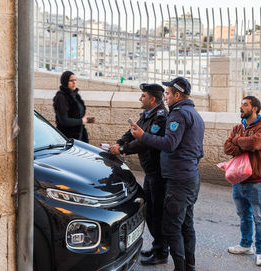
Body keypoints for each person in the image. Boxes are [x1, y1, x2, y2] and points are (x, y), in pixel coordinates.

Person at [130, 77, 204, 271]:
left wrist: (143, 136)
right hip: (190, 177)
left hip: (179, 181)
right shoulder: (195, 114)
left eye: (169, 94)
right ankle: (190, 266)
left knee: (172, 228)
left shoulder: (178, 115)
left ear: (177, 95)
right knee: (186, 225)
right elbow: (199, 152)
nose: (166, 97)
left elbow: (170, 144)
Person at [108, 83, 169, 266]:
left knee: (157, 213)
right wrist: (121, 141)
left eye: (143, 96)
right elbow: (133, 131)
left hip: (158, 173)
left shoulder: (161, 118)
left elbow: (145, 142)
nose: (140, 99)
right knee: (150, 212)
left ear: (152, 99)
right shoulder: (147, 114)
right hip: (150, 171)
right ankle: (158, 247)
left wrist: (123, 149)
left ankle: (161, 252)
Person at [223, 96, 261, 267]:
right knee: (243, 215)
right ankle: (245, 245)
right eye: (241, 104)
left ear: (255, 108)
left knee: (259, 217)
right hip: (237, 179)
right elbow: (227, 148)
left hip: (255, 181)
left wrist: (237, 140)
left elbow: (255, 143)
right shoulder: (238, 127)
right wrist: (239, 142)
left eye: (245, 104)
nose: (241, 107)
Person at [53, 71, 95, 142]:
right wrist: (81, 121)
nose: (74, 82)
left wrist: (87, 119)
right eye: (71, 80)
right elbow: (63, 120)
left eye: (75, 80)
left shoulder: (75, 95)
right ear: (65, 81)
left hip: (80, 136)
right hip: (68, 138)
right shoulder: (61, 97)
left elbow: (75, 116)